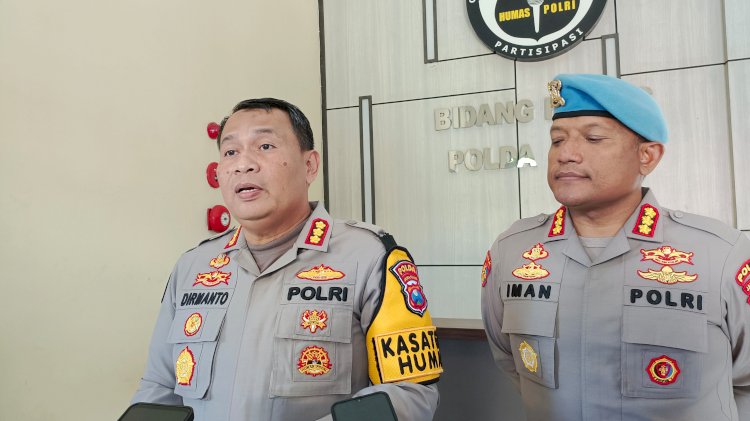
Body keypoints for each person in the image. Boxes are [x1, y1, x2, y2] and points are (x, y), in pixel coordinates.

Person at [131, 98, 441, 420]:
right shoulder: (193, 267)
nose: (243, 164)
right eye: (230, 152)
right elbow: (160, 387)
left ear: (309, 166)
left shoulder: (371, 256)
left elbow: (410, 391)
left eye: (265, 146)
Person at [481, 74, 750, 420]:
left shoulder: (720, 254)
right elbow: (510, 362)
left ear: (647, 156)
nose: (566, 154)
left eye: (593, 138)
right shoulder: (512, 251)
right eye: (557, 139)